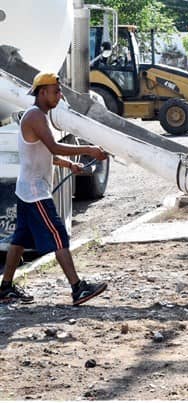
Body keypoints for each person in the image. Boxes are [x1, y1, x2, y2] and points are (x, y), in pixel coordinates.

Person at [0, 72, 109, 305]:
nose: (60, 95)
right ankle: (78, 288)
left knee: (19, 239)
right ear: (42, 92)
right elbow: (54, 147)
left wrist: (69, 164)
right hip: (34, 192)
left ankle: (5, 288)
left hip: (27, 190)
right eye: (56, 91)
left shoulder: (39, 116)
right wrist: (90, 150)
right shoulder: (36, 116)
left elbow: (44, 152)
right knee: (59, 235)